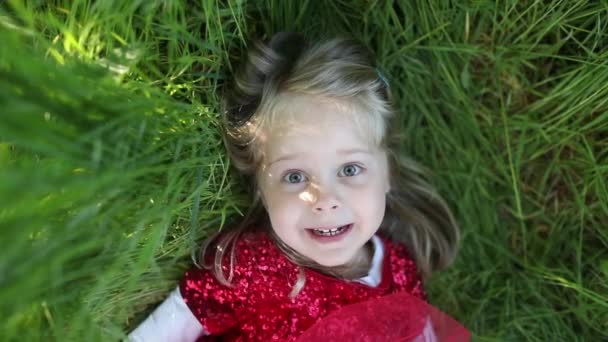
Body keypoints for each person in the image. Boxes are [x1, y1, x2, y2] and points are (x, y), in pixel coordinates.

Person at [128, 32, 468, 341]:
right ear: (260, 186)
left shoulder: (400, 269)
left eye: (350, 169)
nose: (324, 200)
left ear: (387, 172)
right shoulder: (252, 268)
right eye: (294, 176)